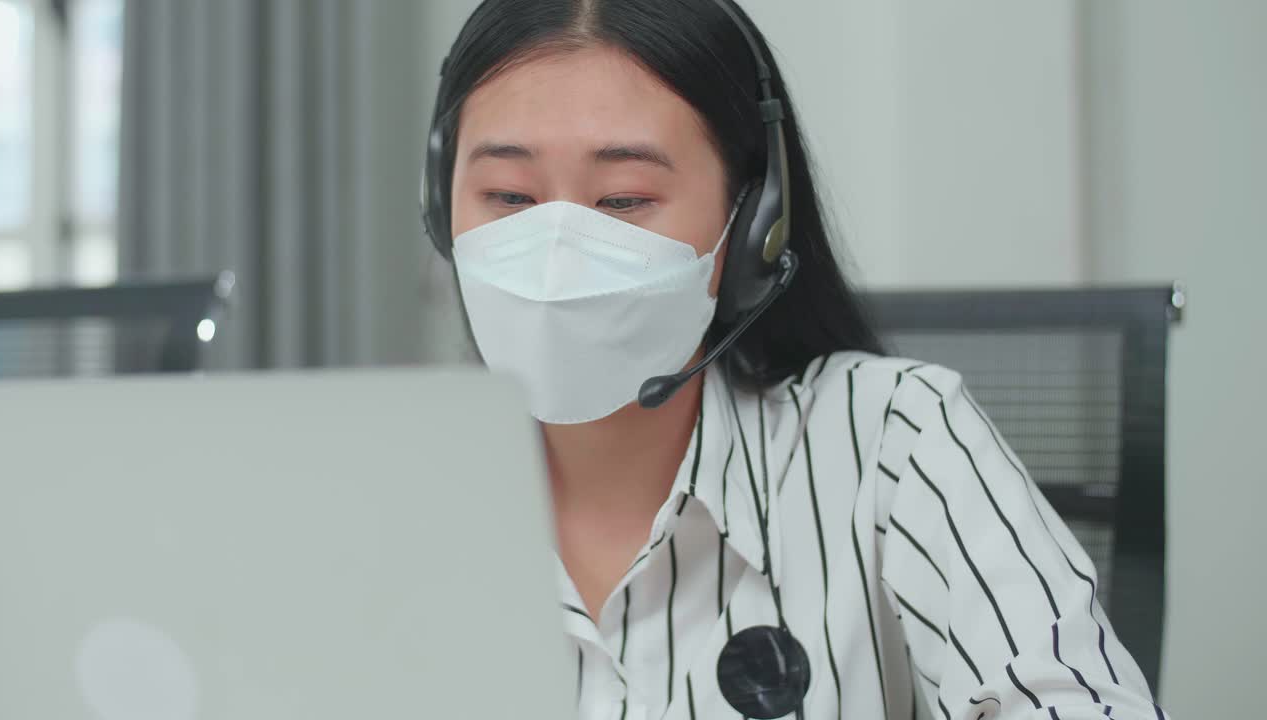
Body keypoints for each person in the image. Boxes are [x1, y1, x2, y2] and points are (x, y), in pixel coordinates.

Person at [421, 1, 1170, 718]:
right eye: (508, 196)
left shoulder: (894, 439)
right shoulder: (391, 491)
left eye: (622, 200)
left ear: (754, 225)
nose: (557, 258)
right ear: (440, 207)